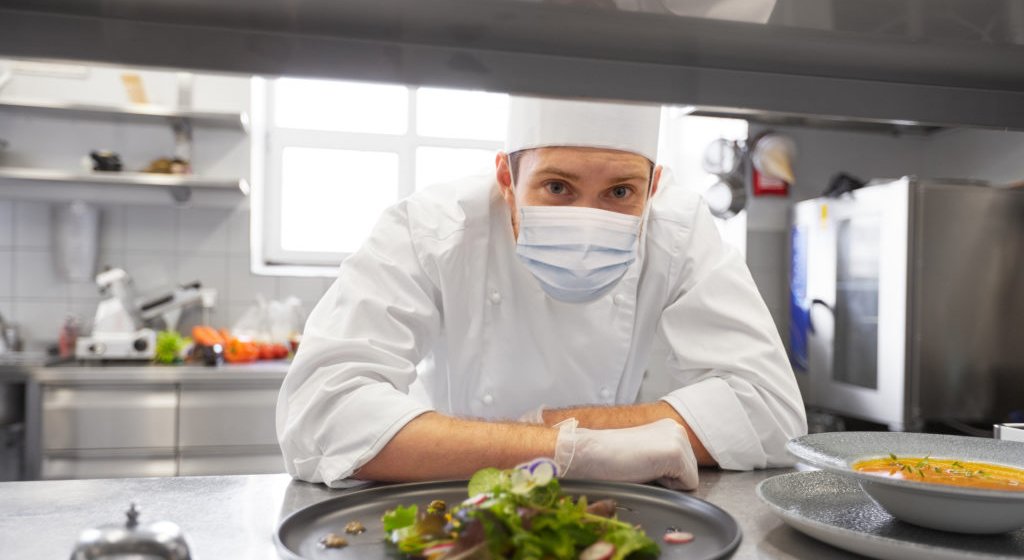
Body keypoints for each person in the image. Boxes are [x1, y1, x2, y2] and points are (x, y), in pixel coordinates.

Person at [277, 95, 806, 490]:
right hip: (454, 500)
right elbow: (320, 411)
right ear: (506, 177)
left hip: (608, 505)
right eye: (558, 187)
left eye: (620, 192)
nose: (588, 220)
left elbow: (771, 412)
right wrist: (570, 448)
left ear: (655, 184)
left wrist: (571, 445)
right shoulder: (431, 227)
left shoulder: (679, 227)